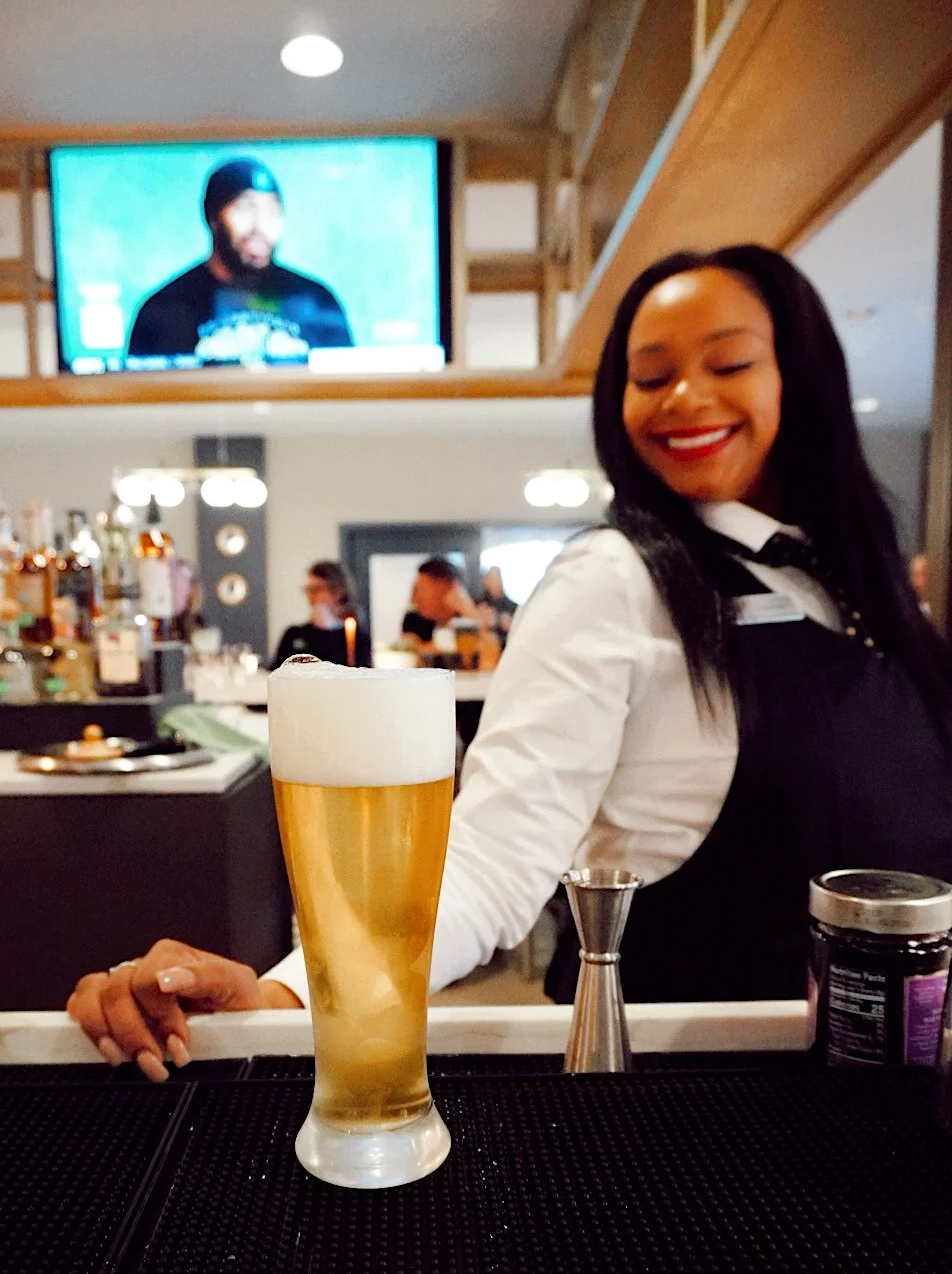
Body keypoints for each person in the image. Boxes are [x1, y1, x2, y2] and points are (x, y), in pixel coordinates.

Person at [68, 243, 952, 1077]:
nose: (683, 398)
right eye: (650, 377)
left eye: (726, 365)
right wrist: (287, 993)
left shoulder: (857, 582)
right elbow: (492, 857)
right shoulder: (618, 578)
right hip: (696, 1092)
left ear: (801, 375)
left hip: (888, 1080)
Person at [127, 157, 353, 366]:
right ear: (213, 216)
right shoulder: (164, 311)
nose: (260, 225)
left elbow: (349, 393)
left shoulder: (316, 303)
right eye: (245, 208)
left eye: (272, 211)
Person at [269, 561, 371, 669]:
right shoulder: (293, 634)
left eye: (317, 589)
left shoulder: (358, 638)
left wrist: (325, 630)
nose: (310, 596)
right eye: (308, 590)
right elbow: (276, 671)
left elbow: (358, 674)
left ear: (338, 592)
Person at [400, 557, 478, 645]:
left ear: (448, 588)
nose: (415, 599)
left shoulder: (466, 619)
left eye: (422, 590)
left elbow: (490, 652)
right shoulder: (414, 618)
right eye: (415, 589)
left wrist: (471, 614)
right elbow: (410, 646)